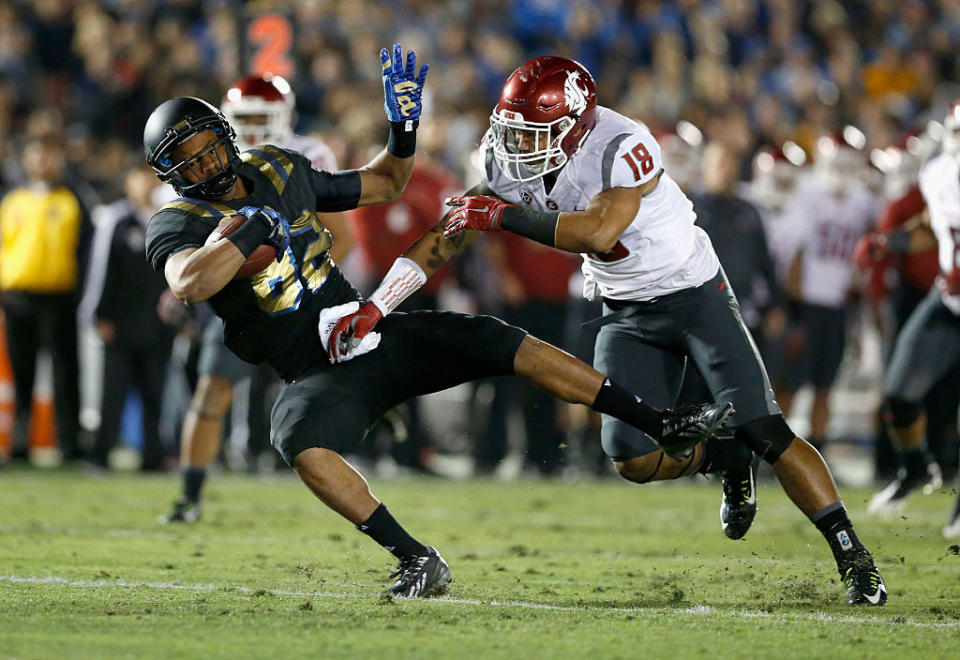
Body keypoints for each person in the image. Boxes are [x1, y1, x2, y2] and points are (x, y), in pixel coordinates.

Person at [142, 44, 730, 599]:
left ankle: (659, 420)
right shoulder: (177, 222)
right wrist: (247, 229)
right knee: (296, 441)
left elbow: (385, 182)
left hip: (367, 328)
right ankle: (415, 557)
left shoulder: (278, 168)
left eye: (208, 148)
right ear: (169, 173)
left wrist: (401, 130)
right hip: (312, 368)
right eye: (187, 161)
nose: (204, 165)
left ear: (226, 137)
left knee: (497, 338)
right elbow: (190, 283)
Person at [438, 55, 886, 605]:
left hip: (694, 296)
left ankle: (853, 557)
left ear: (575, 125)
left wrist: (498, 216)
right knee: (629, 455)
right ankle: (723, 457)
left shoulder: (622, 144)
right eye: (515, 131)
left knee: (765, 430)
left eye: (535, 133)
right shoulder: (505, 161)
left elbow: (600, 233)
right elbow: (451, 225)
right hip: (626, 311)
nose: (519, 147)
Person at [162, 73, 353, 523]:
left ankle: (350, 478)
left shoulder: (304, 156)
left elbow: (341, 235)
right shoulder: (203, 162)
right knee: (212, 394)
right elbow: (184, 241)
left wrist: (307, 278)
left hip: (301, 301)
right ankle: (189, 496)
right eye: (241, 118)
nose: (250, 127)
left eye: (259, 117)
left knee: (337, 393)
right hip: (240, 304)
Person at [857, 101, 960, 536]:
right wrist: (889, 241)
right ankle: (916, 467)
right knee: (899, 393)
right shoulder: (938, 173)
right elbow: (932, 224)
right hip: (949, 300)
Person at [773, 129, 878, 452]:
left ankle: (816, 452)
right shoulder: (808, 192)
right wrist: (792, 301)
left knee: (824, 386)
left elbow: (867, 252)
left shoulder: (863, 200)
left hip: (839, 305)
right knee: (788, 384)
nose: (844, 169)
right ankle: (771, 452)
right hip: (805, 305)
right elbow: (793, 250)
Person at [0, 138, 90, 463]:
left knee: (65, 375)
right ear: (26, 159)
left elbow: (86, 252)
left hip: (59, 297)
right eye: (36, 155)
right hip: (17, 297)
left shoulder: (72, 200)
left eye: (49, 155)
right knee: (21, 376)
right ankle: (19, 447)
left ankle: (70, 446)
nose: (42, 162)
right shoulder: (12, 201)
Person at [82, 165, 176, 471]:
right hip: (120, 324)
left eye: (151, 175)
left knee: (155, 390)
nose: (147, 182)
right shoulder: (116, 219)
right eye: (140, 175)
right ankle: (101, 453)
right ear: (128, 181)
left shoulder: (170, 217)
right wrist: (98, 314)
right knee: (114, 391)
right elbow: (100, 270)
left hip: (159, 323)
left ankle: (153, 455)